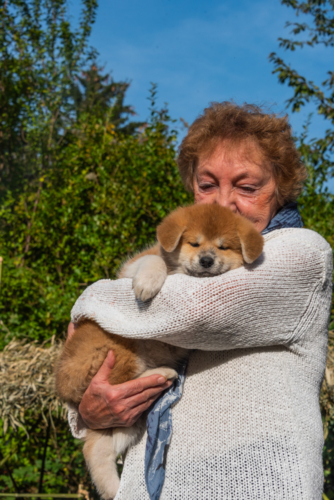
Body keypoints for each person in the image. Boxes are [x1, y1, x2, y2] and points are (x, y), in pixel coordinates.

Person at [67, 102, 333, 499]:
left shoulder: (301, 255)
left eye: (246, 187)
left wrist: (87, 300)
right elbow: (135, 323)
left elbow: (195, 309)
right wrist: (89, 411)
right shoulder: (191, 249)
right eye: (207, 185)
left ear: (281, 187)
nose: (220, 203)